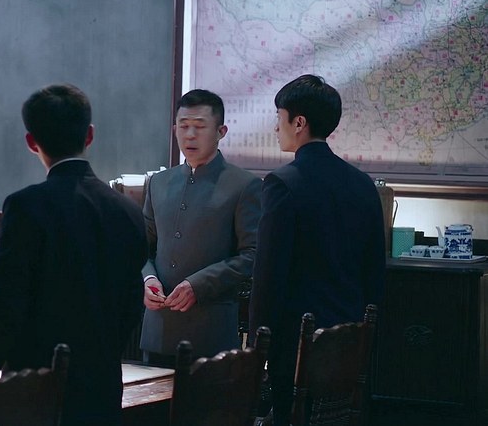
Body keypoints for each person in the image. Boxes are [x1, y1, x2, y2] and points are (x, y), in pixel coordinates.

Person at [0, 83, 147, 426]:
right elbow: (131, 305)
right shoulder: (127, 210)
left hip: (35, 393)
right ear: (89, 135)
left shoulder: (26, 207)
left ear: (31, 142)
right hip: (103, 390)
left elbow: (5, 307)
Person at [248, 74, 386, 426]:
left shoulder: (282, 184)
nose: (276, 127)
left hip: (297, 347)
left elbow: (268, 277)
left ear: (299, 123)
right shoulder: (363, 184)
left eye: (279, 118)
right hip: (349, 343)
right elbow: (374, 272)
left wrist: (256, 350)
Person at [140, 89, 261, 366]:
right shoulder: (159, 182)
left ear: (221, 131)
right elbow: (142, 247)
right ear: (175, 130)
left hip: (211, 332)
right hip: (158, 329)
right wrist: (147, 279)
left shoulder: (244, 185)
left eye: (200, 126)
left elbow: (252, 255)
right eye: (184, 126)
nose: (190, 135)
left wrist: (198, 285)